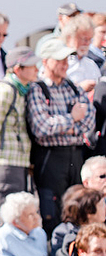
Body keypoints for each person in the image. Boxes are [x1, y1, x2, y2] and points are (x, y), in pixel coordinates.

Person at [28, 37, 94, 233]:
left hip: (75, 154)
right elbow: (41, 128)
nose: (65, 64)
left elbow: (89, 120)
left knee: (77, 204)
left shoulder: (72, 87)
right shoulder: (38, 89)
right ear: (46, 61)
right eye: (60, 60)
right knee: (52, 208)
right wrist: (72, 118)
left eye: (66, 60)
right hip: (50, 157)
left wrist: (65, 122)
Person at [0, 46, 40, 213]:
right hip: (3, 163)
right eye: (31, 66)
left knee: (18, 216)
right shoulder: (4, 90)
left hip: (17, 163)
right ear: (17, 69)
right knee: (9, 218)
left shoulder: (22, 90)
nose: (37, 69)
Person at [50, 185, 105, 256]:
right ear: (89, 211)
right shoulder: (63, 232)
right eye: (102, 205)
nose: (105, 208)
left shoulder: (102, 230)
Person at [0, 191, 47, 256]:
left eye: (36, 212)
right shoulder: (3, 236)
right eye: (30, 215)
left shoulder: (40, 233)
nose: (36, 217)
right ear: (15, 221)